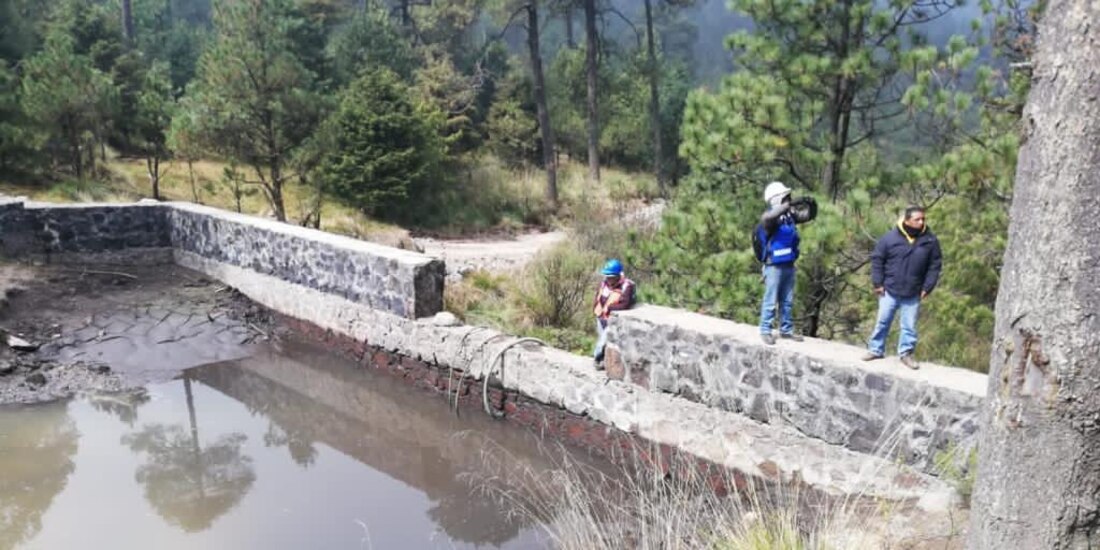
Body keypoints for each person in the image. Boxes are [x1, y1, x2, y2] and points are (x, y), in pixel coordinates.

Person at [862, 205, 943, 369]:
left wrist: (928, 287)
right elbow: (878, 260)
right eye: (917, 219)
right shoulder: (890, 238)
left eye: (923, 219)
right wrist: (878, 283)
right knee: (882, 322)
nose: (921, 222)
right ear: (907, 220)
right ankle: (875, 349)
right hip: (889, 290)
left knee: (909, 327)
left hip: (913, 292)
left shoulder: (930, 241)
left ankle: (906, 354)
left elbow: (935, 265)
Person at [757, 181, 816, 345]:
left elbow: (807, 216)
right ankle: (765, 330)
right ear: (777, 199)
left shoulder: (789, 217)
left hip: (788, 264)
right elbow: (767, 218)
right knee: (771, 300)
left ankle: (786, 330)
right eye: (786, 197)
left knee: (787, 301)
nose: (789, 199)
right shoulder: (771, 219)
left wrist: (812, 205)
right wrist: (789, 205)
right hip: (774, 265)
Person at [592, 258, 635, 368]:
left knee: (603, 341)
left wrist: (610, 308)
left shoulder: (627, 286)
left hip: (612, 319)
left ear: (618, 275)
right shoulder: (604, 283)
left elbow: (625, 304)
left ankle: (596, 358)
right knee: (602, 339)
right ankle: (602, 361)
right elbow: (598, 296)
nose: (609, 278)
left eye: (611, 276)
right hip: (600, 317)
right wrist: (595, 308)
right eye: (607, 276)